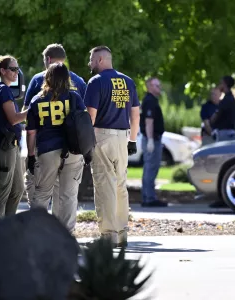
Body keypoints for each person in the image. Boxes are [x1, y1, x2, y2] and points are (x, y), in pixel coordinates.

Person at [84, 46, 140, 247]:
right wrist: (132, 140)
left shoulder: (96, 82)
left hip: (102, 135)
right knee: (120, 186)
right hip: (123, 137)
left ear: (99, 60)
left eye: (91, 60)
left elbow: (90, 115)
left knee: (104, 186)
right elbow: (135, 114)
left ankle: (108, 236)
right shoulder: (128, 81)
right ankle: (122, 233)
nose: (89, 64)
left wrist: (86, 143)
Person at [23, 43, 86, 213]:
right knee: (68, 196)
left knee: (42, 194)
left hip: (47, 148)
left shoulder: (37, 95)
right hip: (73, 149)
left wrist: (30, 155)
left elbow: (30, 129)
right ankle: (65, 236)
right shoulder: (77, 87)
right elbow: (85, 120)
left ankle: (38, 234)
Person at [0, 55, 27, 220]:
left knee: (17, 190)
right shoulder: (2, 90)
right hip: (3, 147)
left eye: (18, 69)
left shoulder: (6, 90)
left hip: (12, 146)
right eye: (13, 69)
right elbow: (13, 118)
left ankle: (8, 230)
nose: (16, 72)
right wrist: (33, 110)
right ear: (2, 71)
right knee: (2, 192)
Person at [140, 77, 167, 207]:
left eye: (159, 85)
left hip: (153, 138)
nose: (159, 88)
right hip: (152, 139)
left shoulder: (151, 100)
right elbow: (148, 122)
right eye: (156, 85)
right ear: (149, 87)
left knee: (150, 168)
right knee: (151, 168)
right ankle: (149, 198)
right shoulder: (150, 101)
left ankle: (147, 197)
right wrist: (150, 140)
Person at [211, 75, 235, 141]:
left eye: (221, 83)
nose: (219, 85)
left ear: (224, 84)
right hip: (229, 133)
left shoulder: (226, 100)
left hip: (224, 134)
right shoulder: (231, 99)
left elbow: (215, 117)